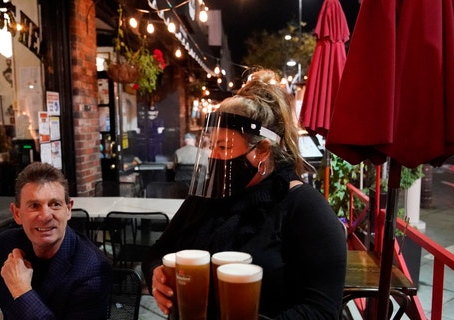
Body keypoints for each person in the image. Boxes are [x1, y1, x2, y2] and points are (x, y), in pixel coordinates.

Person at [142, 69, 347, 319]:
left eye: (224, 146)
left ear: (261, 150)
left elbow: (322, 310)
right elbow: (157, 252)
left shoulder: (305, 208)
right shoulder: (205, 198)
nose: (213, 155)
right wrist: (156, 274)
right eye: (211, 145)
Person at [0, 162, 112, 319]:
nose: (45, 216)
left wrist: (21, 291)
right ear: (17, 214)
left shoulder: (91, 269)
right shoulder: (5, 245)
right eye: (34, 205)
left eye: (55, 204)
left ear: (68, 209)